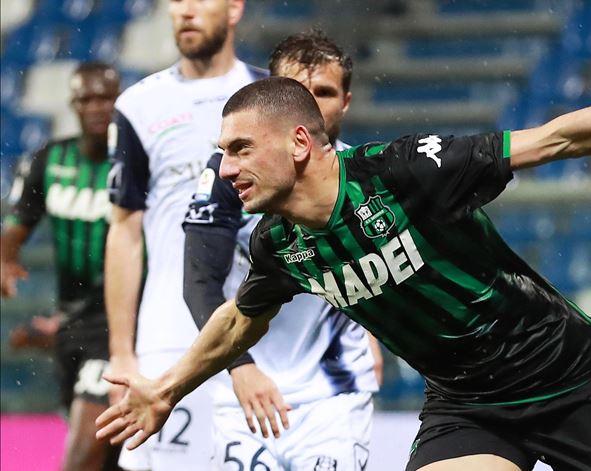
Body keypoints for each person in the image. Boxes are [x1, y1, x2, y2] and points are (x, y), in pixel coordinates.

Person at [96, 39, 591, 471]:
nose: (224, 167)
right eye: (221, 152)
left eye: (240, 148)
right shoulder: (278, 244)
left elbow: (556, 140)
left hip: (563, 378)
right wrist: (164, 389)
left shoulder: (403, 171)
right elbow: (240, 321)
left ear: (299, 143)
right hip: (467, 404)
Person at [183, 30, 381, 470]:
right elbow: (200, 280)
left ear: (346, 102)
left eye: (324, 93)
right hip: (246, 394)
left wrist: (374, 332)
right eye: (296, 91)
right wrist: (241, 367)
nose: (309, 105)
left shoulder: (367, 174)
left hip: (334, 398)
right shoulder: (228, 175)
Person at [104, 0, 266, 468]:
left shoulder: (269, 94)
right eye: (176, 1)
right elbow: (125, 231)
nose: (186, 11)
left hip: (259, 333)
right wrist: (122, 353)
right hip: (167, 338)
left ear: (235, 8)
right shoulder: (138, 105)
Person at [1, 61, 121, 471]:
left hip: (121, 326)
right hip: (73, 324)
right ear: (73, 103)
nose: (96, 107)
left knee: (85, 448)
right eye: (87, 98)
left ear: (119, 101)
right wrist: (5, 259)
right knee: (110, 455)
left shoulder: (134, 164)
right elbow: (17, 223)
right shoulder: (50, 160)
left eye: (106, 97)